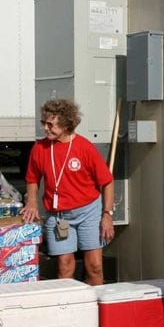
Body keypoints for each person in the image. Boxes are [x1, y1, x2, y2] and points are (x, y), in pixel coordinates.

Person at [22, 99, 115, 286]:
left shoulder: (84, 147)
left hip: (88, 210)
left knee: (95, 265)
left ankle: (97, 307)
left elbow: (107, 182)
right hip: (58, 215)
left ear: (65, 124)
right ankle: (69, 308)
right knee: (64, 266)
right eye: (44, 123)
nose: (45, 128)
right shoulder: (40, 148)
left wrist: (107, 214)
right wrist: (31, 201)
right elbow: (32, 178)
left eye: (50, 124)